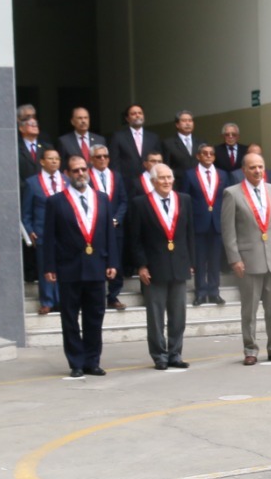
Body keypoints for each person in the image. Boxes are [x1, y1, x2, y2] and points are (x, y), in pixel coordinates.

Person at [40, 154, 117, 377]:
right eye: (75, 170)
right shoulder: (56, 201)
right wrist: (49, 267)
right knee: (70, 317)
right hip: (68, 267)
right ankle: (76, 362)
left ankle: (92, 361)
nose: (81, 173)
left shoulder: (101, 198)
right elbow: (49, 236)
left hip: (96, 266)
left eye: (84, 169)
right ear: (67, 174)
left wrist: (112, 261)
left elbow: (109, 233)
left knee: (95, 316)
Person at [222, 151, 271, 365]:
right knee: (249, 310)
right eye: (252, 167)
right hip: (248, 260)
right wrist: (235, 259)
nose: (257, 171)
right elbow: (228, 230)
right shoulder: (232, 194)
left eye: (260, 166)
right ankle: (250, 350)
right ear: (244, 170)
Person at [124, 163, 194, 370]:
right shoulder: (140, 203)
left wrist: (191, 262)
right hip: (153, 268)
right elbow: (134, 239)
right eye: (161, 178)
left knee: (178, 315)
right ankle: (159, 355)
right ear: (153, 181)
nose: (166, 181)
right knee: (155, 316)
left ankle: (175, 354)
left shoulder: (184, 200)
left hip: (179, 265)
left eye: (169, 177)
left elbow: (189, 233)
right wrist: (141, 266)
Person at [86, 143, 129, 312]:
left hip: (115, 227)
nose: (103, 159)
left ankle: (113, 295)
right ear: (91, 159)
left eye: (105, 156)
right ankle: (95, 296)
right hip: (94, 229)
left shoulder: (116, 176)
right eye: (98, 157)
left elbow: (124, 200)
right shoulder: (86, 176)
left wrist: (116, 219)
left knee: (115, 260)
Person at [22, 148, 64, 315]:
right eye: (50, 158)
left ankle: (61, 300)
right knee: (45, 268)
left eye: (57, 158)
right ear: (42, 161)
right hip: (42, 232)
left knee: (63, 267)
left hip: (64, 233)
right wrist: (29, 229)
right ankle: (47, 301)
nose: (54, 161)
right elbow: (26, 211)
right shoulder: (32, 182)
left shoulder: (66, 180)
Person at [183, 143, 226, 305]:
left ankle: (214, 291)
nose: (208, 156)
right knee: (200, 259)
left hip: (216, 222)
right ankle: (200, 292)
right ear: (198, 156)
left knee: (215, 259)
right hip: (198, 222)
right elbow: (186, 200)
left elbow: (225, 199)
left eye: (211, 153)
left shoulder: (222, 174)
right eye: (204, 153)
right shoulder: (190, 175)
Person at [110, 104, 161, 188]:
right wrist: (118, 182)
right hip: (127, 182)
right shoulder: (118, 137)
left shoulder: (153, 137)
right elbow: (114, 162)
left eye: (140, 113)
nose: (137, 115)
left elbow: (159, 161)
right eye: (133, 114)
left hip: (150, 182)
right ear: (127, 118)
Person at [17, 109, 42, 181]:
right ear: (21, 128)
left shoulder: (46, 147)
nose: (35, 126)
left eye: (36, 124)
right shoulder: (16, 148)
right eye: (31, 124)